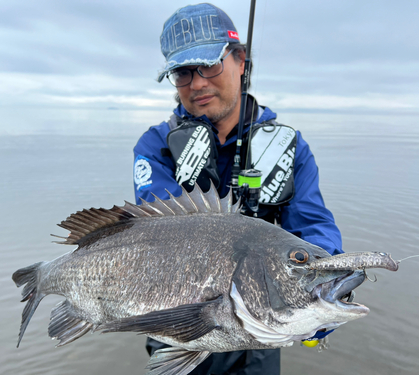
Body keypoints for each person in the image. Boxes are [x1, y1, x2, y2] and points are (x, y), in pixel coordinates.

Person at [132, 3, 343, 375]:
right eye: (182, 72)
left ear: (240, 61)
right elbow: (154, 234)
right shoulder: (155, 146)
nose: (197, 83)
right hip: (179, 325)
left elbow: (311, 225)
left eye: (210, 65)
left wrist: (321, 284)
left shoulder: (290, 148)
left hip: (258, 335)